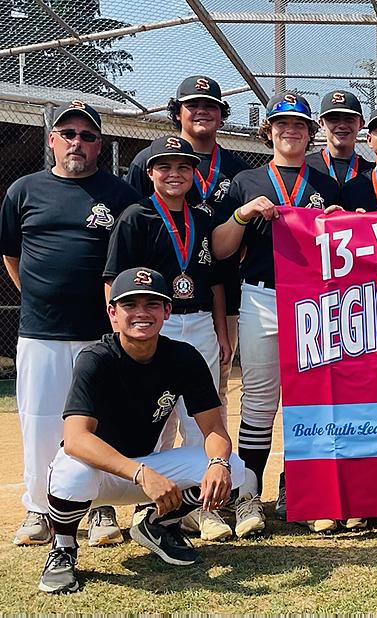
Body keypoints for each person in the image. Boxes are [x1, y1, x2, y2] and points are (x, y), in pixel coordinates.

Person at [37, 268, 255, 594]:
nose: (141, 313)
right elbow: (77, 438)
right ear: (113, 313)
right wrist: (141, 474)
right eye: (130, 305)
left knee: (235, 469)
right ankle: (63, 548)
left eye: (153, 304)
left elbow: (214, 429)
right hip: (102, 472)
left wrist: (218, 464)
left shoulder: (183, 357)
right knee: (71, 472)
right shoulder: (96, 358)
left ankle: (156, 525)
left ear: (167, 311)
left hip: (147, 468)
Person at [104, 136, 263, 541]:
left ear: (194, 174)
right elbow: (113, 280)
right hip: (154, 324)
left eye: (183, 168)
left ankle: (199, 508)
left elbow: (217, 277)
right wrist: (120, 332)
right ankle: (152, 501)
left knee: (201, 417)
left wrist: (221, 329)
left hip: (199, 323)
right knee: (155, 418)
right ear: (150, 172)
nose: (174, 175)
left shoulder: (203, 217)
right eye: (165, 167)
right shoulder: (136, 217)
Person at [0, 101, 140, 548]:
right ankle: (40, 508)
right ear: (52, 139)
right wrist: (40, 297)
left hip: (101, 334)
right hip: (40, 331)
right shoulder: (23, 190)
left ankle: (98, 507)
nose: (78, 142)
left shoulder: (119, 195)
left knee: (102, 422)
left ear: (100, 144)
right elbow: (11, 256)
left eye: (88, 135)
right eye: (69, 133)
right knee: (40, 421)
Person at [211, 93, 342, 534]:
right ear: (269, 129)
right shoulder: (247, 181)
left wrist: (343, 219)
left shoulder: (326, 180)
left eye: (300, 124)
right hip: (262, 297)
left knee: (314, 400)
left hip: (316, 301)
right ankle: (249, 495)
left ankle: (302, 489)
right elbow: (220, 248)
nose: (291, 130)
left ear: (311, 131)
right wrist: (243, 214)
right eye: (282, 123)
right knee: (261, 400)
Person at [123, 75, 251, 447]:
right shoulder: (147, 160)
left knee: (214, 391)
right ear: (176, 112)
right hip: (157, 302)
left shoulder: (237, 166)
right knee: (154, 398)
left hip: (218, 293)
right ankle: (157, 492)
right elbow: (139, 218)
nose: (201, 111)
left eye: (210, 105)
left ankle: (209, 483)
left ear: (222, 115)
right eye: (192, 104)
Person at [306, 89, 375, 185]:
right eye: (333, 119)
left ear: (361, 124)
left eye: (349, 119)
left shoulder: (372, 172)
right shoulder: (306, 167)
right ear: (321, 123)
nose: (342, 125)